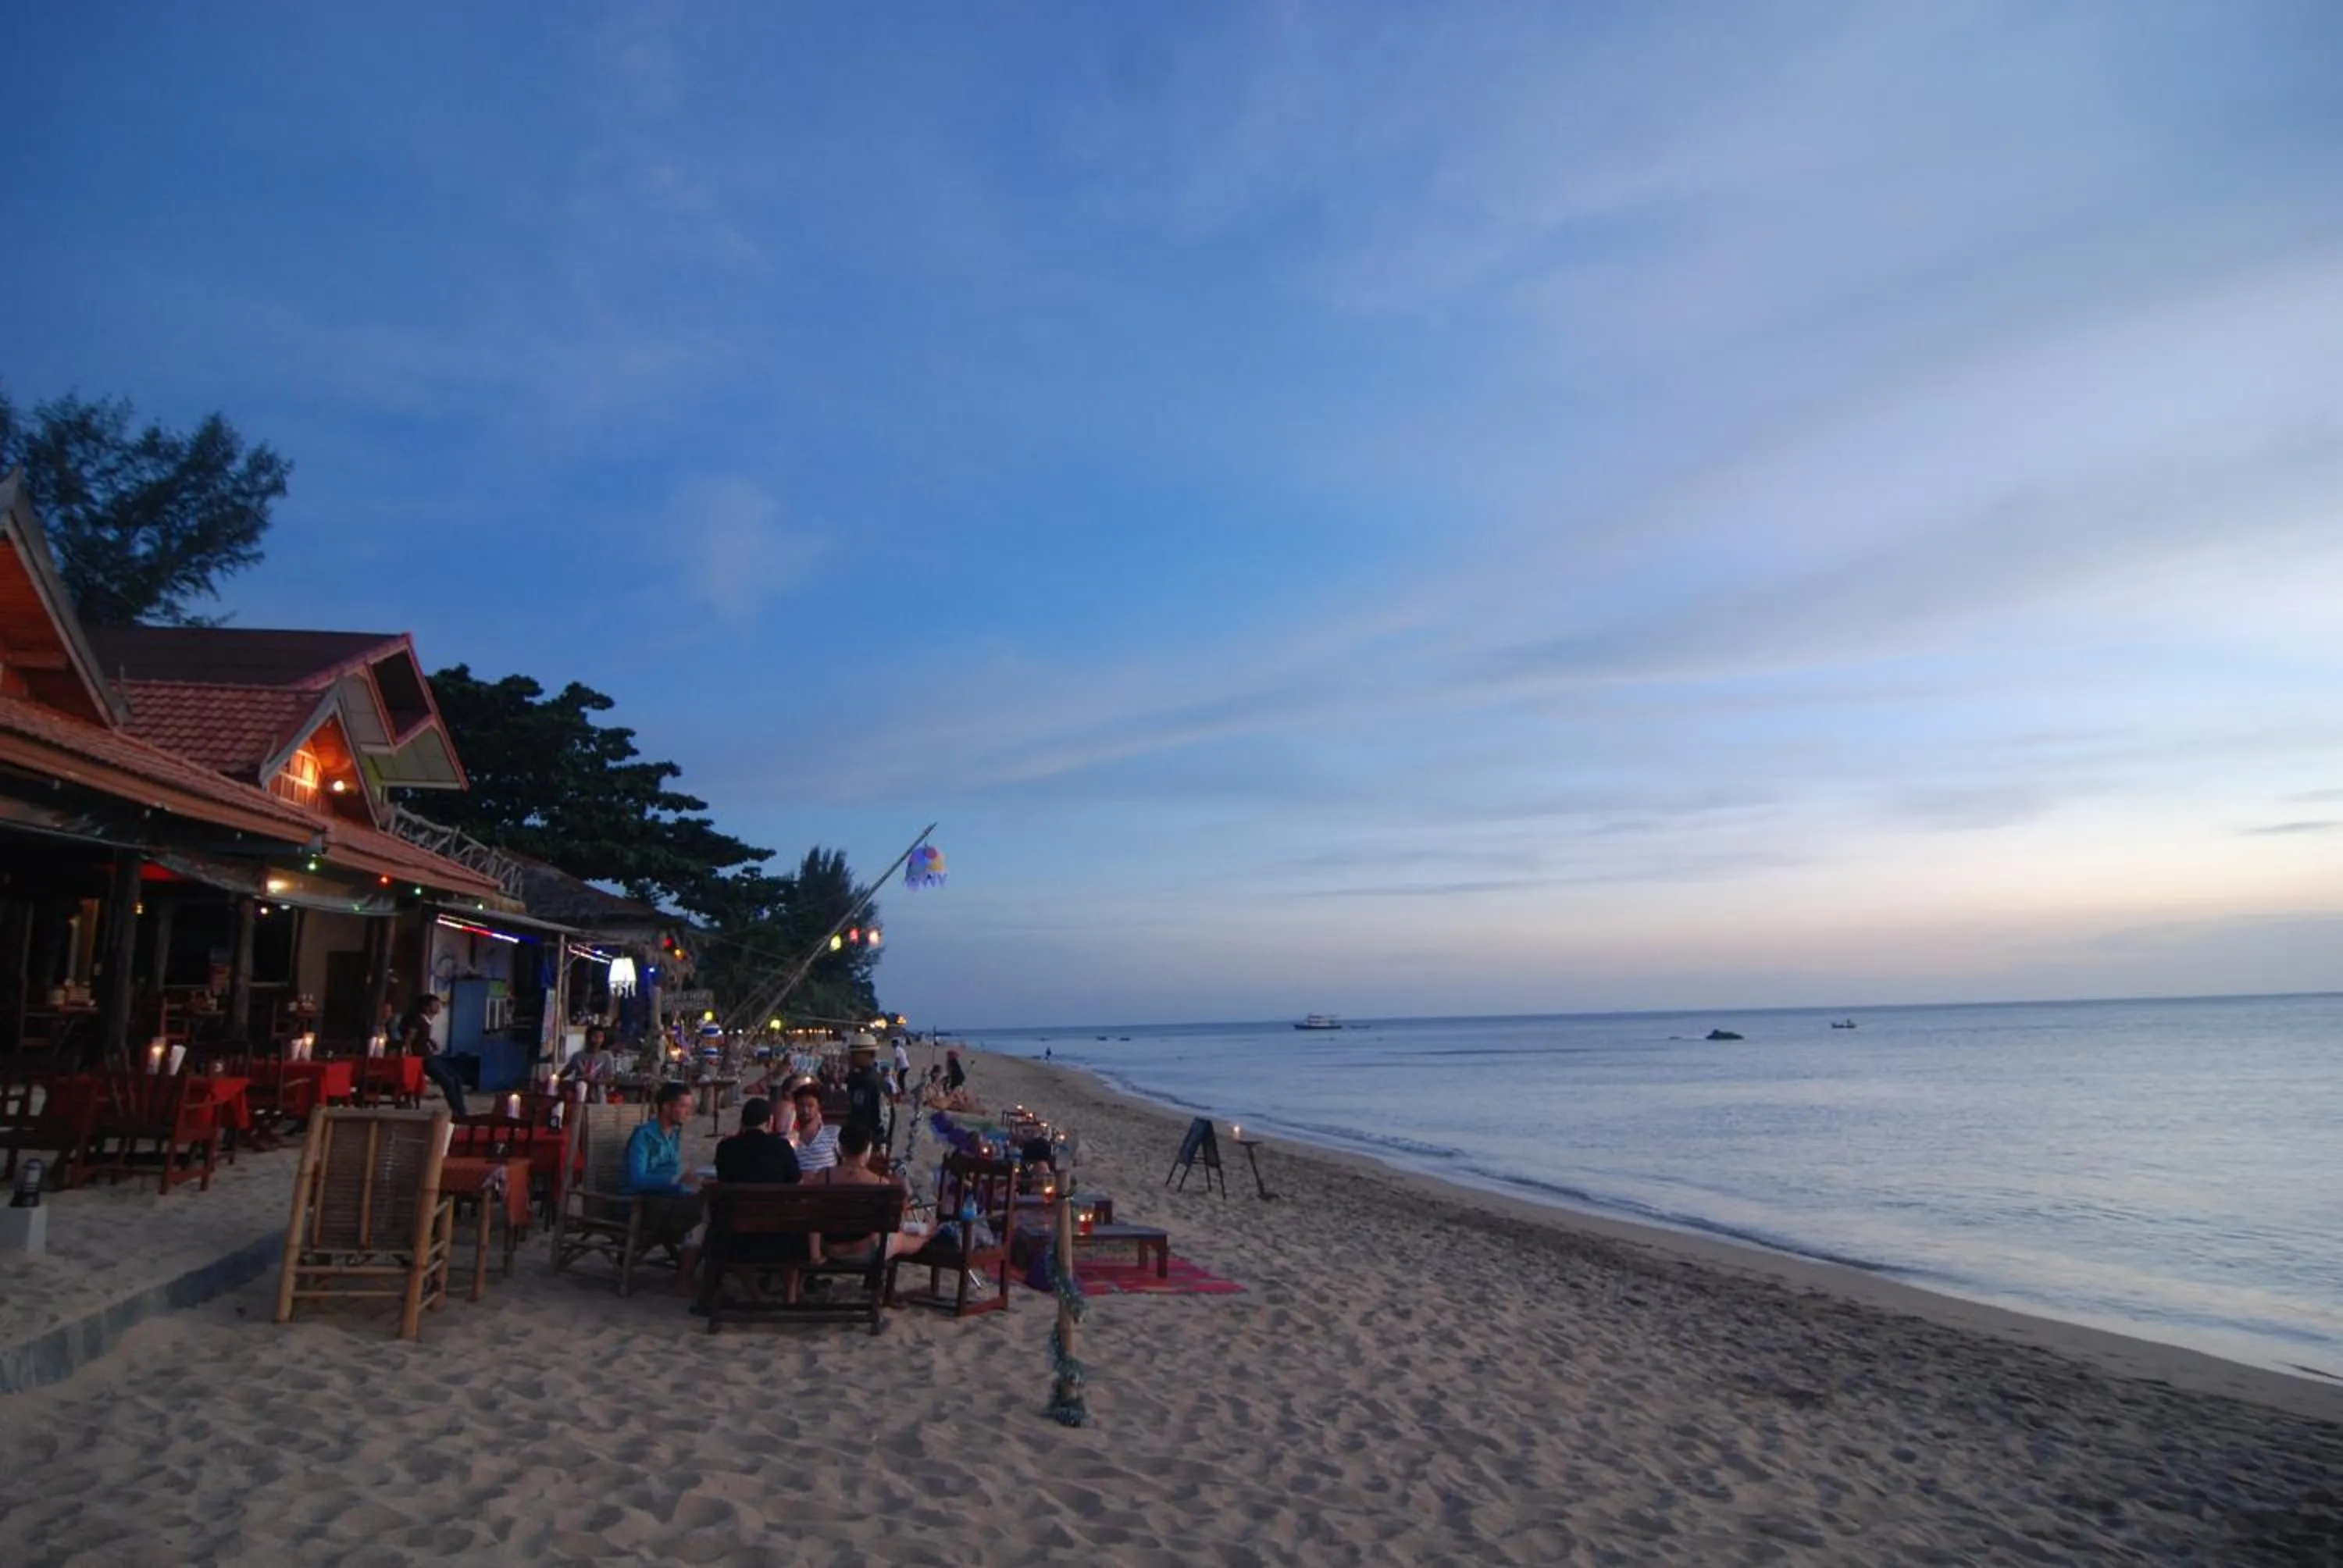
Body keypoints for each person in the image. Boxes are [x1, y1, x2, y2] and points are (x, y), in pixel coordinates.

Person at [804, 1122, 928, 1264]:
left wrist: (816, 1255)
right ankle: (928, 1234)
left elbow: (812, 1215)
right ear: (868, 1148)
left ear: (840, 1148)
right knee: (903, 1238)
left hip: (832, 1249)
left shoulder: (824, 1176)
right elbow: (897, 1222)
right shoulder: (881, 1184)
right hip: (868, 1251)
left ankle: (927, 1232)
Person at [625, 1082, 704, 1295]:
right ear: (667, 1107)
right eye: (684, 1107)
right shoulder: (644, 1136)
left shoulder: (675, 1135)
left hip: (668, 1200)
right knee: (702, 1216)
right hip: (643, 1205)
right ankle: (685, 1276)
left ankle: (691, 1271)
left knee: (713, 1206)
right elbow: (636, 1180)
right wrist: (675, 1181)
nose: (687, 1113)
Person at [401, 993, 465, 1118]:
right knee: (448, 1082)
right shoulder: (418, 1020)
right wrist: (411, 1058)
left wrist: (430, 1041)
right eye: (435, 1004)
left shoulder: (426, 1021)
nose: (438, 1006)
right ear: (426, 1007)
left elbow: (421, 1036)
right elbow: (409, 1040)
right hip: (423, 1058)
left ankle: (461, 1110)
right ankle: (458, 1111)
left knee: (456, 1078)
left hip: (429, 1055)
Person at [785, 1077, 840, 1174]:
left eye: (810, 1106)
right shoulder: (786, 1139)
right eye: (801, 1105)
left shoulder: (833, 1133)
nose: (805, 1110)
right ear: (796, 1106)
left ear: (818, 1107)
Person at [843, 1035, 888, 1147]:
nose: (851, 1057)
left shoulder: (866, 1081)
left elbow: (861, 1114)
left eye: (854, 1054)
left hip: (867, 1140)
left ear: (866, 1054)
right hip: (875, 1137)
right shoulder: (876, 1078)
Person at [560, 1025, 619, 1103]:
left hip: (598, 1097)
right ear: (588, 1038)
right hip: (578, 1096)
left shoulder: (606, 1056)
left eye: (601, 1037)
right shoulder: (578, 1056)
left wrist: (595, 1081)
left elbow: (611, 1079)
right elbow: (566, 1072)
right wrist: (557, 1079)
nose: (598, 1040)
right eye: (595, 1037)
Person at [890, 1037, 911, 1101]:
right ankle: (903, 1090)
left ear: (895, 1044)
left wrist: (896, 1067)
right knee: (901, 1079)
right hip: (906, 1065)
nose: (892, 1045)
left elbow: (897, 1059)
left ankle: (903, 1091)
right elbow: (907, 1056)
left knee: (900, 1079)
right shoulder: (901, 1049)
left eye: (893, 1044)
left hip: (904, 1066)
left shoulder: (897, 1049)